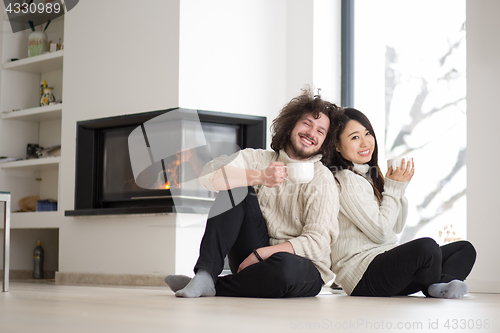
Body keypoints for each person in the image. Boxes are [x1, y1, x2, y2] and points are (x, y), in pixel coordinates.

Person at [165, 89, 342, 298]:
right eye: (307, 123)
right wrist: (259, 176)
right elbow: (208, 177)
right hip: (252, 251)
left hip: (300, 265)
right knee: (236, 185)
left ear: (324, 142)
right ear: (291, 125)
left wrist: (263, 254)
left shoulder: (322, 178)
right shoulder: (257, 159)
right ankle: (205, 274)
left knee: (284, 268)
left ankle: (214, 285)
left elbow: (317, 242)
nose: (312, 133)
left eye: (320, 131)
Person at [329, 108, 476, 298]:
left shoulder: (368, 175)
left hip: (387, 269)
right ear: (337, 146)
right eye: (355, 137)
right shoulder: (346, 180)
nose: (365, 142)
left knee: (465, 249)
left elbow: (395, 227)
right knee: (427, 248)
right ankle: (438, 284)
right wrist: (394, 189)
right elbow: (381, 232)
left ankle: (439, 285)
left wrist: (399, 188)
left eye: (367, 133)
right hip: (364, 276)